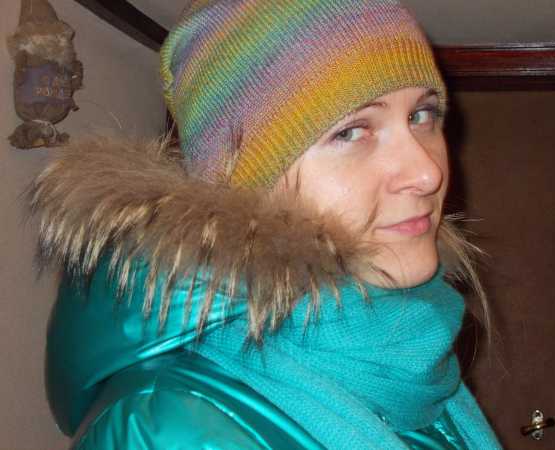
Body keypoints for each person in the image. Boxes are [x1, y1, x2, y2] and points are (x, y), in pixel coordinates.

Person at [30, 1, 502, 449]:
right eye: (351, 131)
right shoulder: (169, 429)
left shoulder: (412, 363)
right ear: (243, 183)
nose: (427, 172)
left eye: (422, 115)